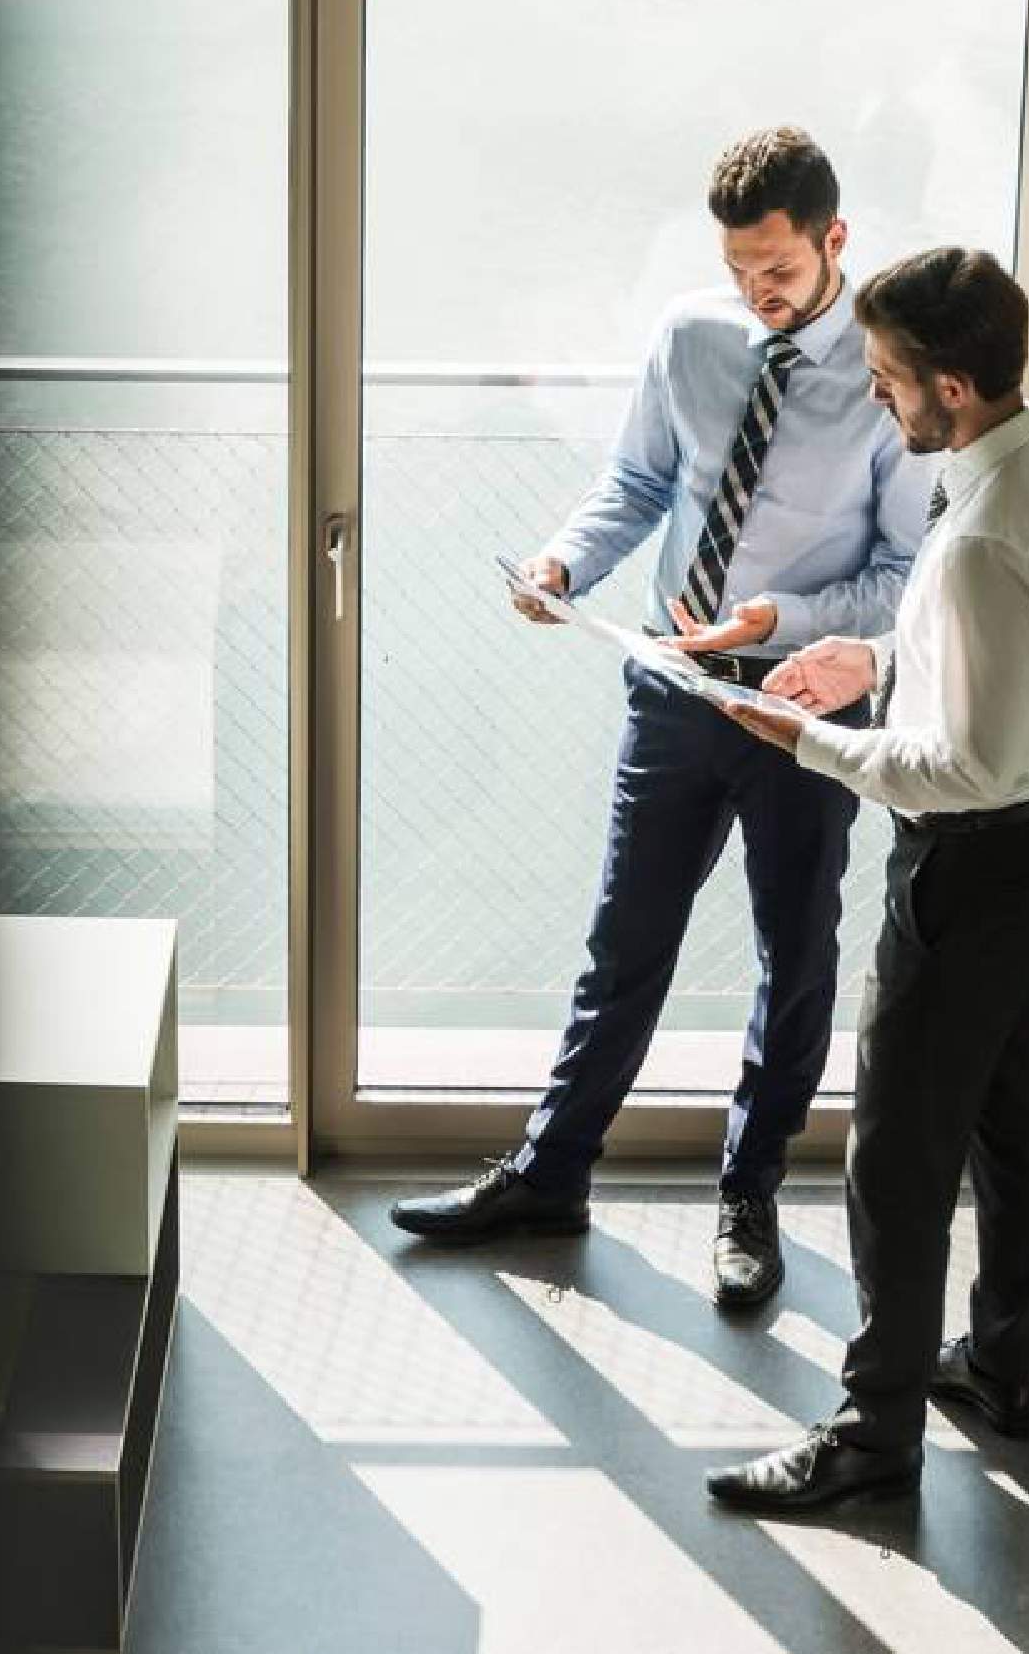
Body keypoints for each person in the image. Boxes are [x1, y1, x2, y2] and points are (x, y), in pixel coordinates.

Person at [390, 126, 932, 1304]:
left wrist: (772, 621)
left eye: (778, 269)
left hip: (799, 711)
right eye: (739, 268)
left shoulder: (889, 374)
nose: (755, 291)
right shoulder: (691, 333)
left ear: (834, 240)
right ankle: (552, 1170)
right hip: (671, 688)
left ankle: (748, 1200)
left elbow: (904, 575)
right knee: (623, 945)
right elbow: (639, 483)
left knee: (795, 964)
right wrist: (564, 567)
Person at [704, 245, 1029, 1509]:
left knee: (893, 1157)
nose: (878, 399)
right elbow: (1008, 661)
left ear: (949, 385)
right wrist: (869, 658)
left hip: (977, 860)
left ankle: (873, 1434)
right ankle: (1000, 1368)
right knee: (1010, 1105)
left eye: (889, 381)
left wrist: (806, 738)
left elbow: (964, 762)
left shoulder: (978, 538)